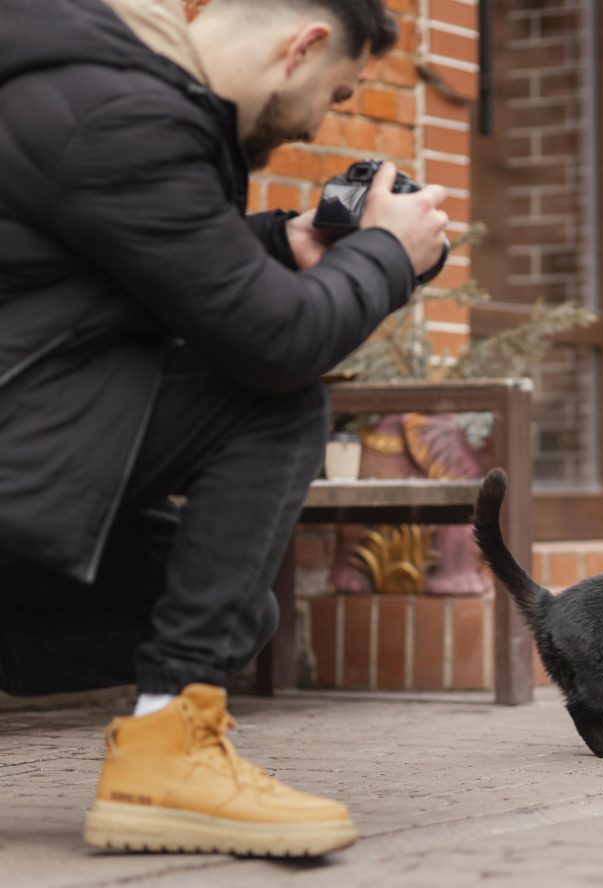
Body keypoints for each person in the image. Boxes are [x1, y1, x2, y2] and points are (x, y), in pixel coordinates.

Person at [0, 0, 450, 856]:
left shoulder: (92, 91)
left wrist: (285, 247)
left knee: (229, 612)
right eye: (339, 93)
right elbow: (276, 348)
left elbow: (93, 278)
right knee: (269, 400)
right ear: (303, 46)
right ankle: (166, 759)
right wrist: (386, 254)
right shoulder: (124, 113)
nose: (324, 119)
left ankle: (173, 732)